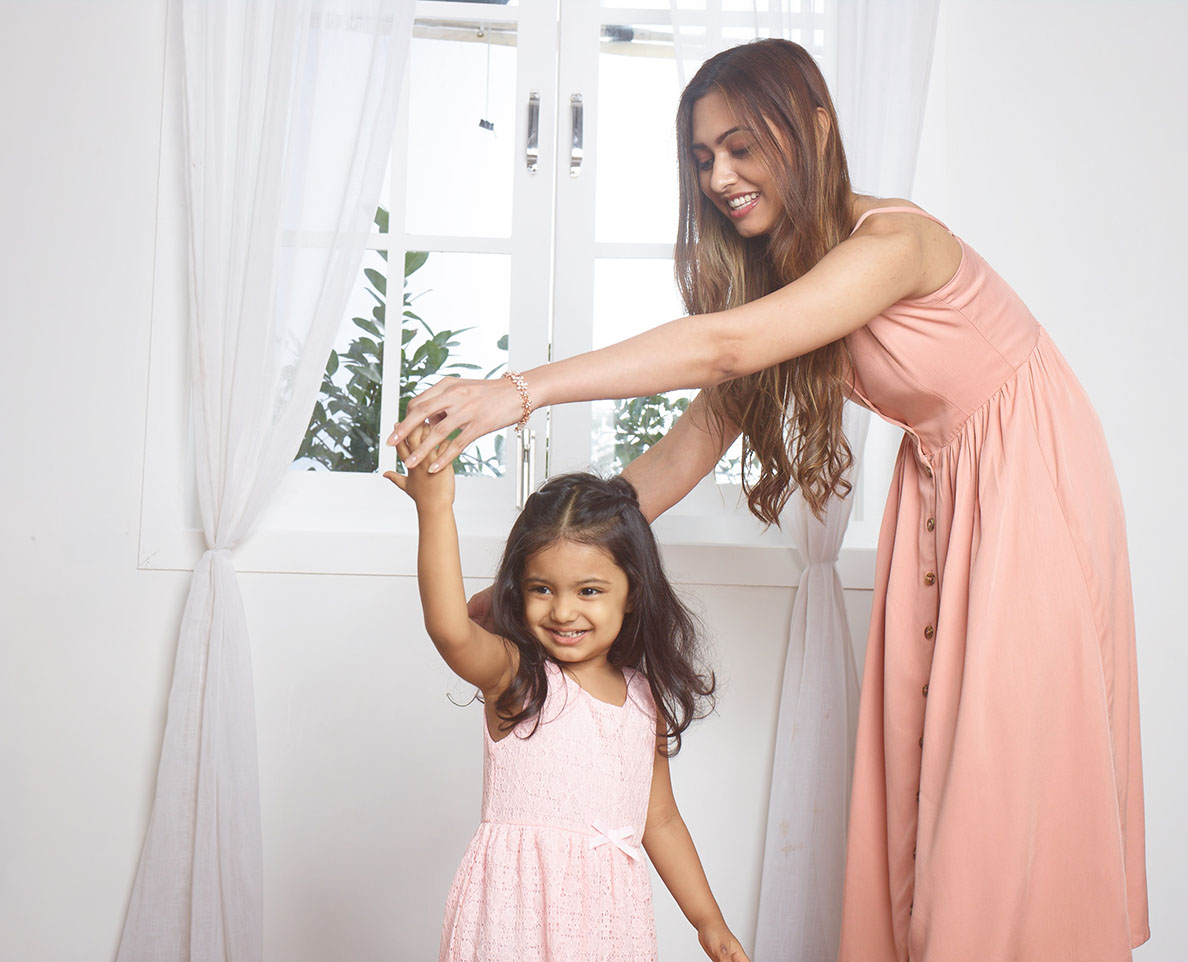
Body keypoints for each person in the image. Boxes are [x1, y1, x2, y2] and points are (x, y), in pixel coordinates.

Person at [387, 38, 1148, 962]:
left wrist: (517, 392)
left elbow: (723, 349)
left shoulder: (894, 243)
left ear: (815, 129)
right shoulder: (788, 284)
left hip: (1028, 485)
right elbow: (682, 454)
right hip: (946, 492)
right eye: (703, 157)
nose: (720, 176)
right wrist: (544, 564)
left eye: (743, 146)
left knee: (999, 778)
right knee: (933, 784)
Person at [385, 423, 750, 962]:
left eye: (589, 590)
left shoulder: (642, 697)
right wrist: (435, 508)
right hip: (516, 921)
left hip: (607, 925)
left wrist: (708, 921)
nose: (562, 611)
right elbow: (450, 629)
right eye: (542, 589)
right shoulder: (518, 677)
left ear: (632, 594)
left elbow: (661, 819)